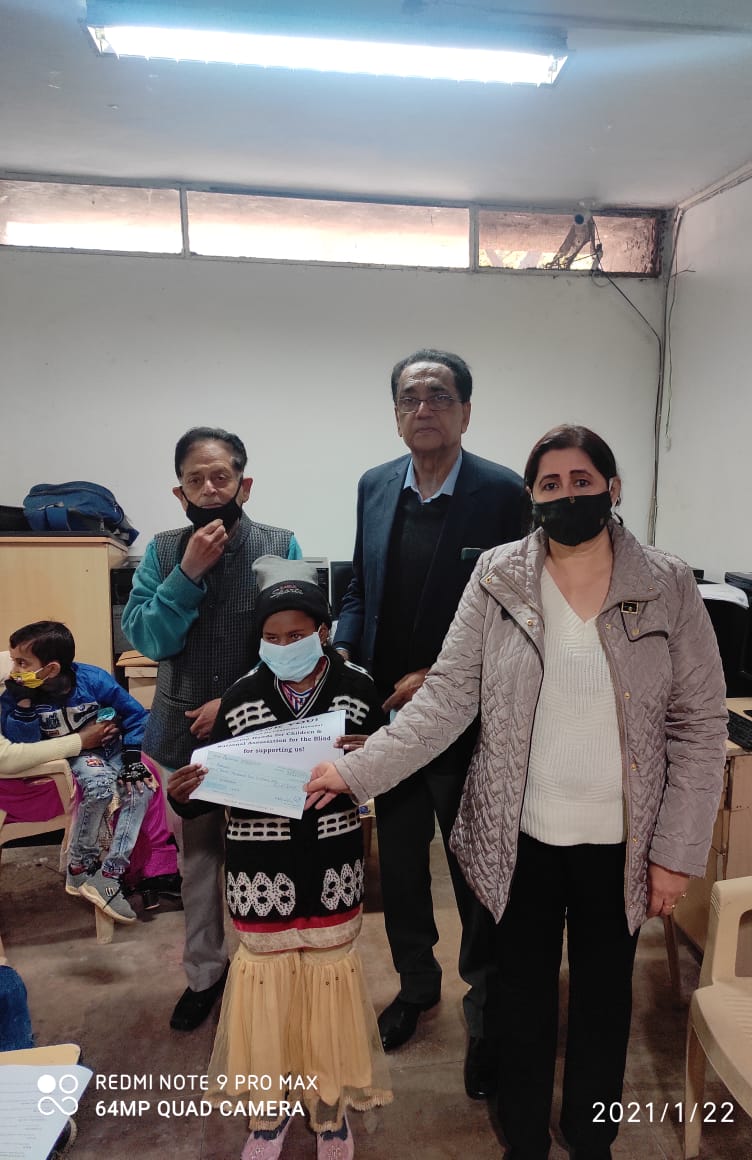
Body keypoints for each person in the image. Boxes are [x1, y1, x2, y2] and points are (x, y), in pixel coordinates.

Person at [307, 423, 728, 1160]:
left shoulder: (667, 582)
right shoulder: (498, 574)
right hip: (520, 836)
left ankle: (592, 1139)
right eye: (550, 484)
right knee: (520, 1001)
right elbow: (447, 697)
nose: (567, 495)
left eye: (582, 481)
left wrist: (675, 853)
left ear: (613, 488)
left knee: (604, 1003)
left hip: (622, 845)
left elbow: (699, 725)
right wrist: (357, 770)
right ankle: (524, 1140)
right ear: (532, 497)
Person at [332, 349, 524, 1094]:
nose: (424, 408)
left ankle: (488, 1011)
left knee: (474, 869)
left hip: (469, 721)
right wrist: (343, 655)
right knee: (404, 867)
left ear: (466, 411)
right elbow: (359, 583)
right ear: (395, 413)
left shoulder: (503, 493)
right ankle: (416, 986)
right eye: (410, 397)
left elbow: (516, 611)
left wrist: (438, 678)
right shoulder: (375, 485)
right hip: (389, 718)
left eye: (440, 395)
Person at [167, 563, 391, 1160]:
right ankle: (268, 1112)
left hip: (332, 862)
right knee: (265, 983)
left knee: (327, 978)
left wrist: (371, 756)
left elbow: (386, 770)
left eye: (297, 634)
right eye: (272, 636)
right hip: (259, 870)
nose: (284, 645)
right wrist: (185, 796)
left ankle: (328, 1107)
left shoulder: (358, 689)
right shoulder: (241, 697)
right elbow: (215, 787)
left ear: (323, 631)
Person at [122, 426, 302, 1030]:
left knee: (269, 855)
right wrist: (188, 573)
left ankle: (267, 968)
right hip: (181, 739)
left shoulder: (278, 545)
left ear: (243, 485)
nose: (209, 488)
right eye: (195, 479)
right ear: (180, 493)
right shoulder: (162, 552)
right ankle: (205, 974)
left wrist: (233, 702)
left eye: (220, 476)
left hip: (261, 732)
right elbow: (148, 638)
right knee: (198, 867)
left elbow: (298, 638)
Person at [1, 621, 152, 924]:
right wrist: (24, 704)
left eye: (22, 663)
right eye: (14, 661)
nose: (13, 671)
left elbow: (135, 715)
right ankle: (79, 866)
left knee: (141, 789)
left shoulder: (93, 680)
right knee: (100, 785)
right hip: (77, 755)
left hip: (112, 749)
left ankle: (110, 874)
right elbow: (24, 744)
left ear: (51, 669)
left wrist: (133, 758)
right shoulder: (14, 695)